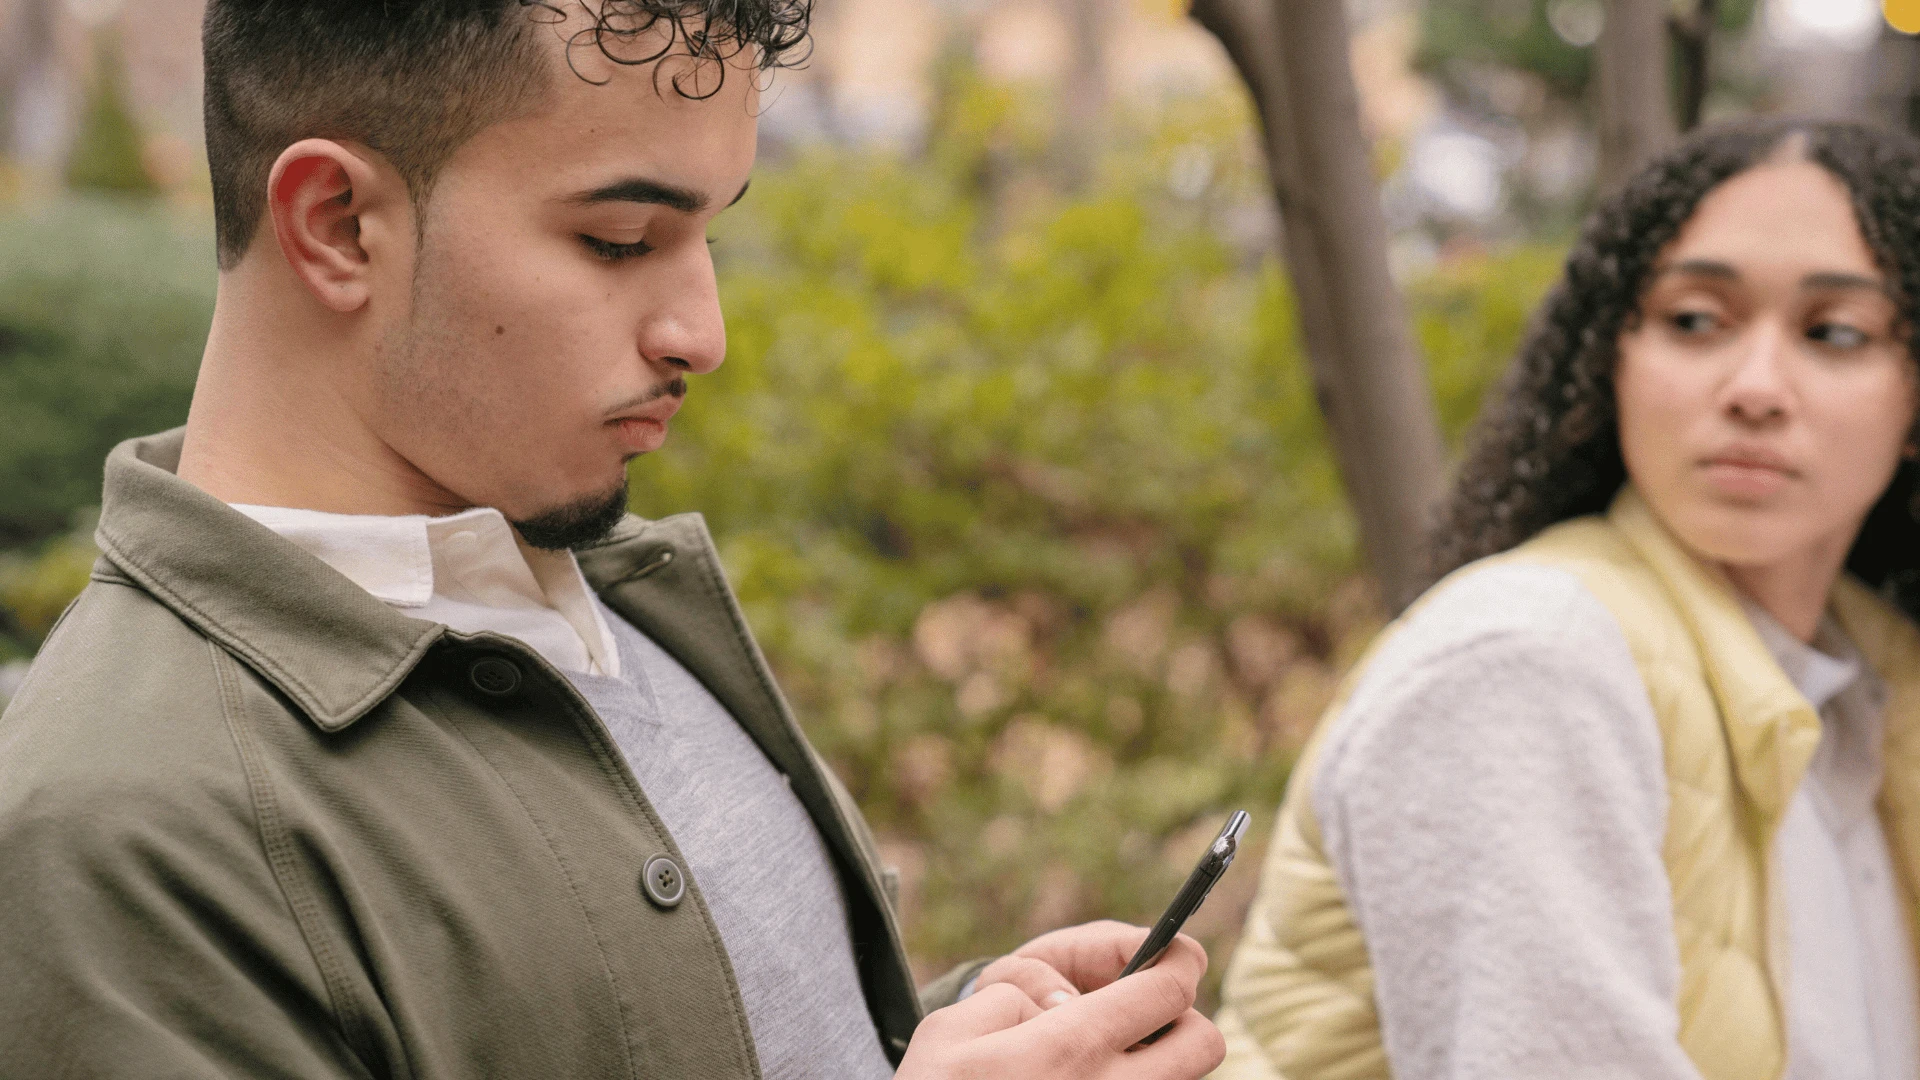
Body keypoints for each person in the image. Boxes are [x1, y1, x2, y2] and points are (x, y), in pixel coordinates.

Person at [0, 4, 1227, 1078]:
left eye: (710, 238)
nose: (704, 334)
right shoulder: (115, 834)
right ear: (337, 224)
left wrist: (968, 1031)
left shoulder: (609, 589)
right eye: (622, 241)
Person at [1214, 118, 1920, 1080]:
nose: (1756, 389)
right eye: (1695, 320)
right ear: (1610, 357)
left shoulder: (1876, 687)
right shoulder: (1531, 661)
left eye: (1833, 333)